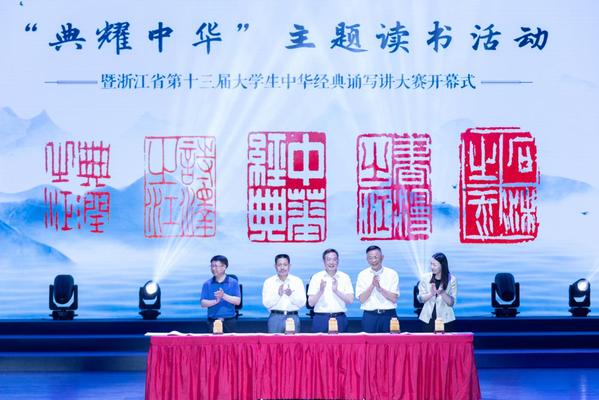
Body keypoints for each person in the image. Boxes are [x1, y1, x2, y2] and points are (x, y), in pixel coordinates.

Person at [307, 248, 354, 333]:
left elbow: (350, 300)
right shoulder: (316, 277)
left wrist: (336, 291)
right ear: (324, 261)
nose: (331, 262)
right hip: (321, 318)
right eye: (328, 259)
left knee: (341, 342)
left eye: (334, 259)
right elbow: (311, 303)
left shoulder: (345, 277)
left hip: (340, 318)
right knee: (319, 342)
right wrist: (321, 290)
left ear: (338, 261)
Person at [355, 245, 399, 333]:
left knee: (390, 341)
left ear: (382, 257)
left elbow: (394, 298)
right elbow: (362, 300)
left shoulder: (392, 274)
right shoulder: (362, 275)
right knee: (369, 341)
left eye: (376, 257)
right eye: (370, 258)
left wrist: (380, 289)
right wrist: (372, 285)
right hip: (370, 316)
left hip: (389, 315)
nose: (373, 260)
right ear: (367, 259)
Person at [262, 254, 306, 333]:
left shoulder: (297, 281)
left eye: (285, 265)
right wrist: (278, 295)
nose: (282, 267)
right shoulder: (268, 282)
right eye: (279, 265)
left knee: (293, 341)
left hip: (293, 317)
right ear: (275, 266)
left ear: (289, 266)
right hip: (275, 317)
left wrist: (291, 295)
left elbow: (302, 303)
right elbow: (266, 303)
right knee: (274, 341)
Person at [417, 252, 457, 332]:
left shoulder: (451, 279)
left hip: (446, 319)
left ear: (442, 265)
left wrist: (442, 293)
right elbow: (420, 299)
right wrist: (431, 294)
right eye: (431, 264)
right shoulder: (425, 278)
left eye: (434, 265)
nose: (432, 267)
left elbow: (451, 303)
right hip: (427, 319)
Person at [200, 255, 241, 333]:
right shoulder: (207, 284)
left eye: (216, 266)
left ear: (224, 267)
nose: (213, 269)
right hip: (212, 321)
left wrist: (223, 296)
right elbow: (203, 303)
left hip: (229, 321)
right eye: (212, 266)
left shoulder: (233, 282)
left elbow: (237, 301)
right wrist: (216, 301)